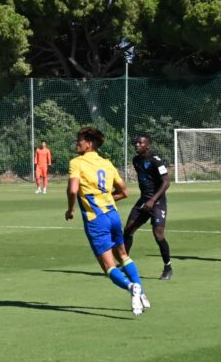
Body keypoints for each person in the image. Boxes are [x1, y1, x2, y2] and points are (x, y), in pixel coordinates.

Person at [65, 126, 149, 316]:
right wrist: (107, 199)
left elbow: (72, 190)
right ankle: (142, 292)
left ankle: (131, 287)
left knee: (108, 266)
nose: (77, 143)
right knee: (123, 255)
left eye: (80, 140)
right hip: (113, 215)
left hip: (96, 219)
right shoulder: (107, 163)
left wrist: (70, 210)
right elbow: (124, 192)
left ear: (89, 143)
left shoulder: (77, 163)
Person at [124, 134, 172, 280]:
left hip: (157, 203)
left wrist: (153, 200)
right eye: (136, 142)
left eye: (140, 143)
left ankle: (167, 267)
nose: (137, 145)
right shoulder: (136, 160)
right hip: (143, 201)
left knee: (158, 235)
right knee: (127, 231)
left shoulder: (156, 161)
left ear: (148, 145)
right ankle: (124, 264)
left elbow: (166, 182)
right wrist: (146, 200)